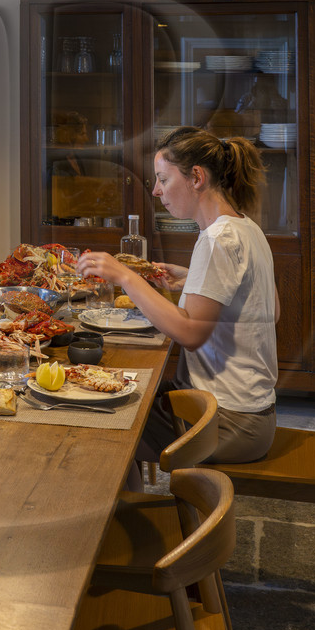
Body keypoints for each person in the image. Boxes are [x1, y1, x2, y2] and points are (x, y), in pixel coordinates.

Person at [76, 125, 278, 465]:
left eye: (163, 179)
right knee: (122, 392)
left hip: (227, 421)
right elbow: (269, 310)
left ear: (196, 177)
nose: (156, 191)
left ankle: (131, 514)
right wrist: (194, 282)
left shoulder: (217, 240)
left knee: (98, 419)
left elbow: (189, 334)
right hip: (252, 412)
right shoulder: (244, 226)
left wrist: (125, 276)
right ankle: (131, 508)